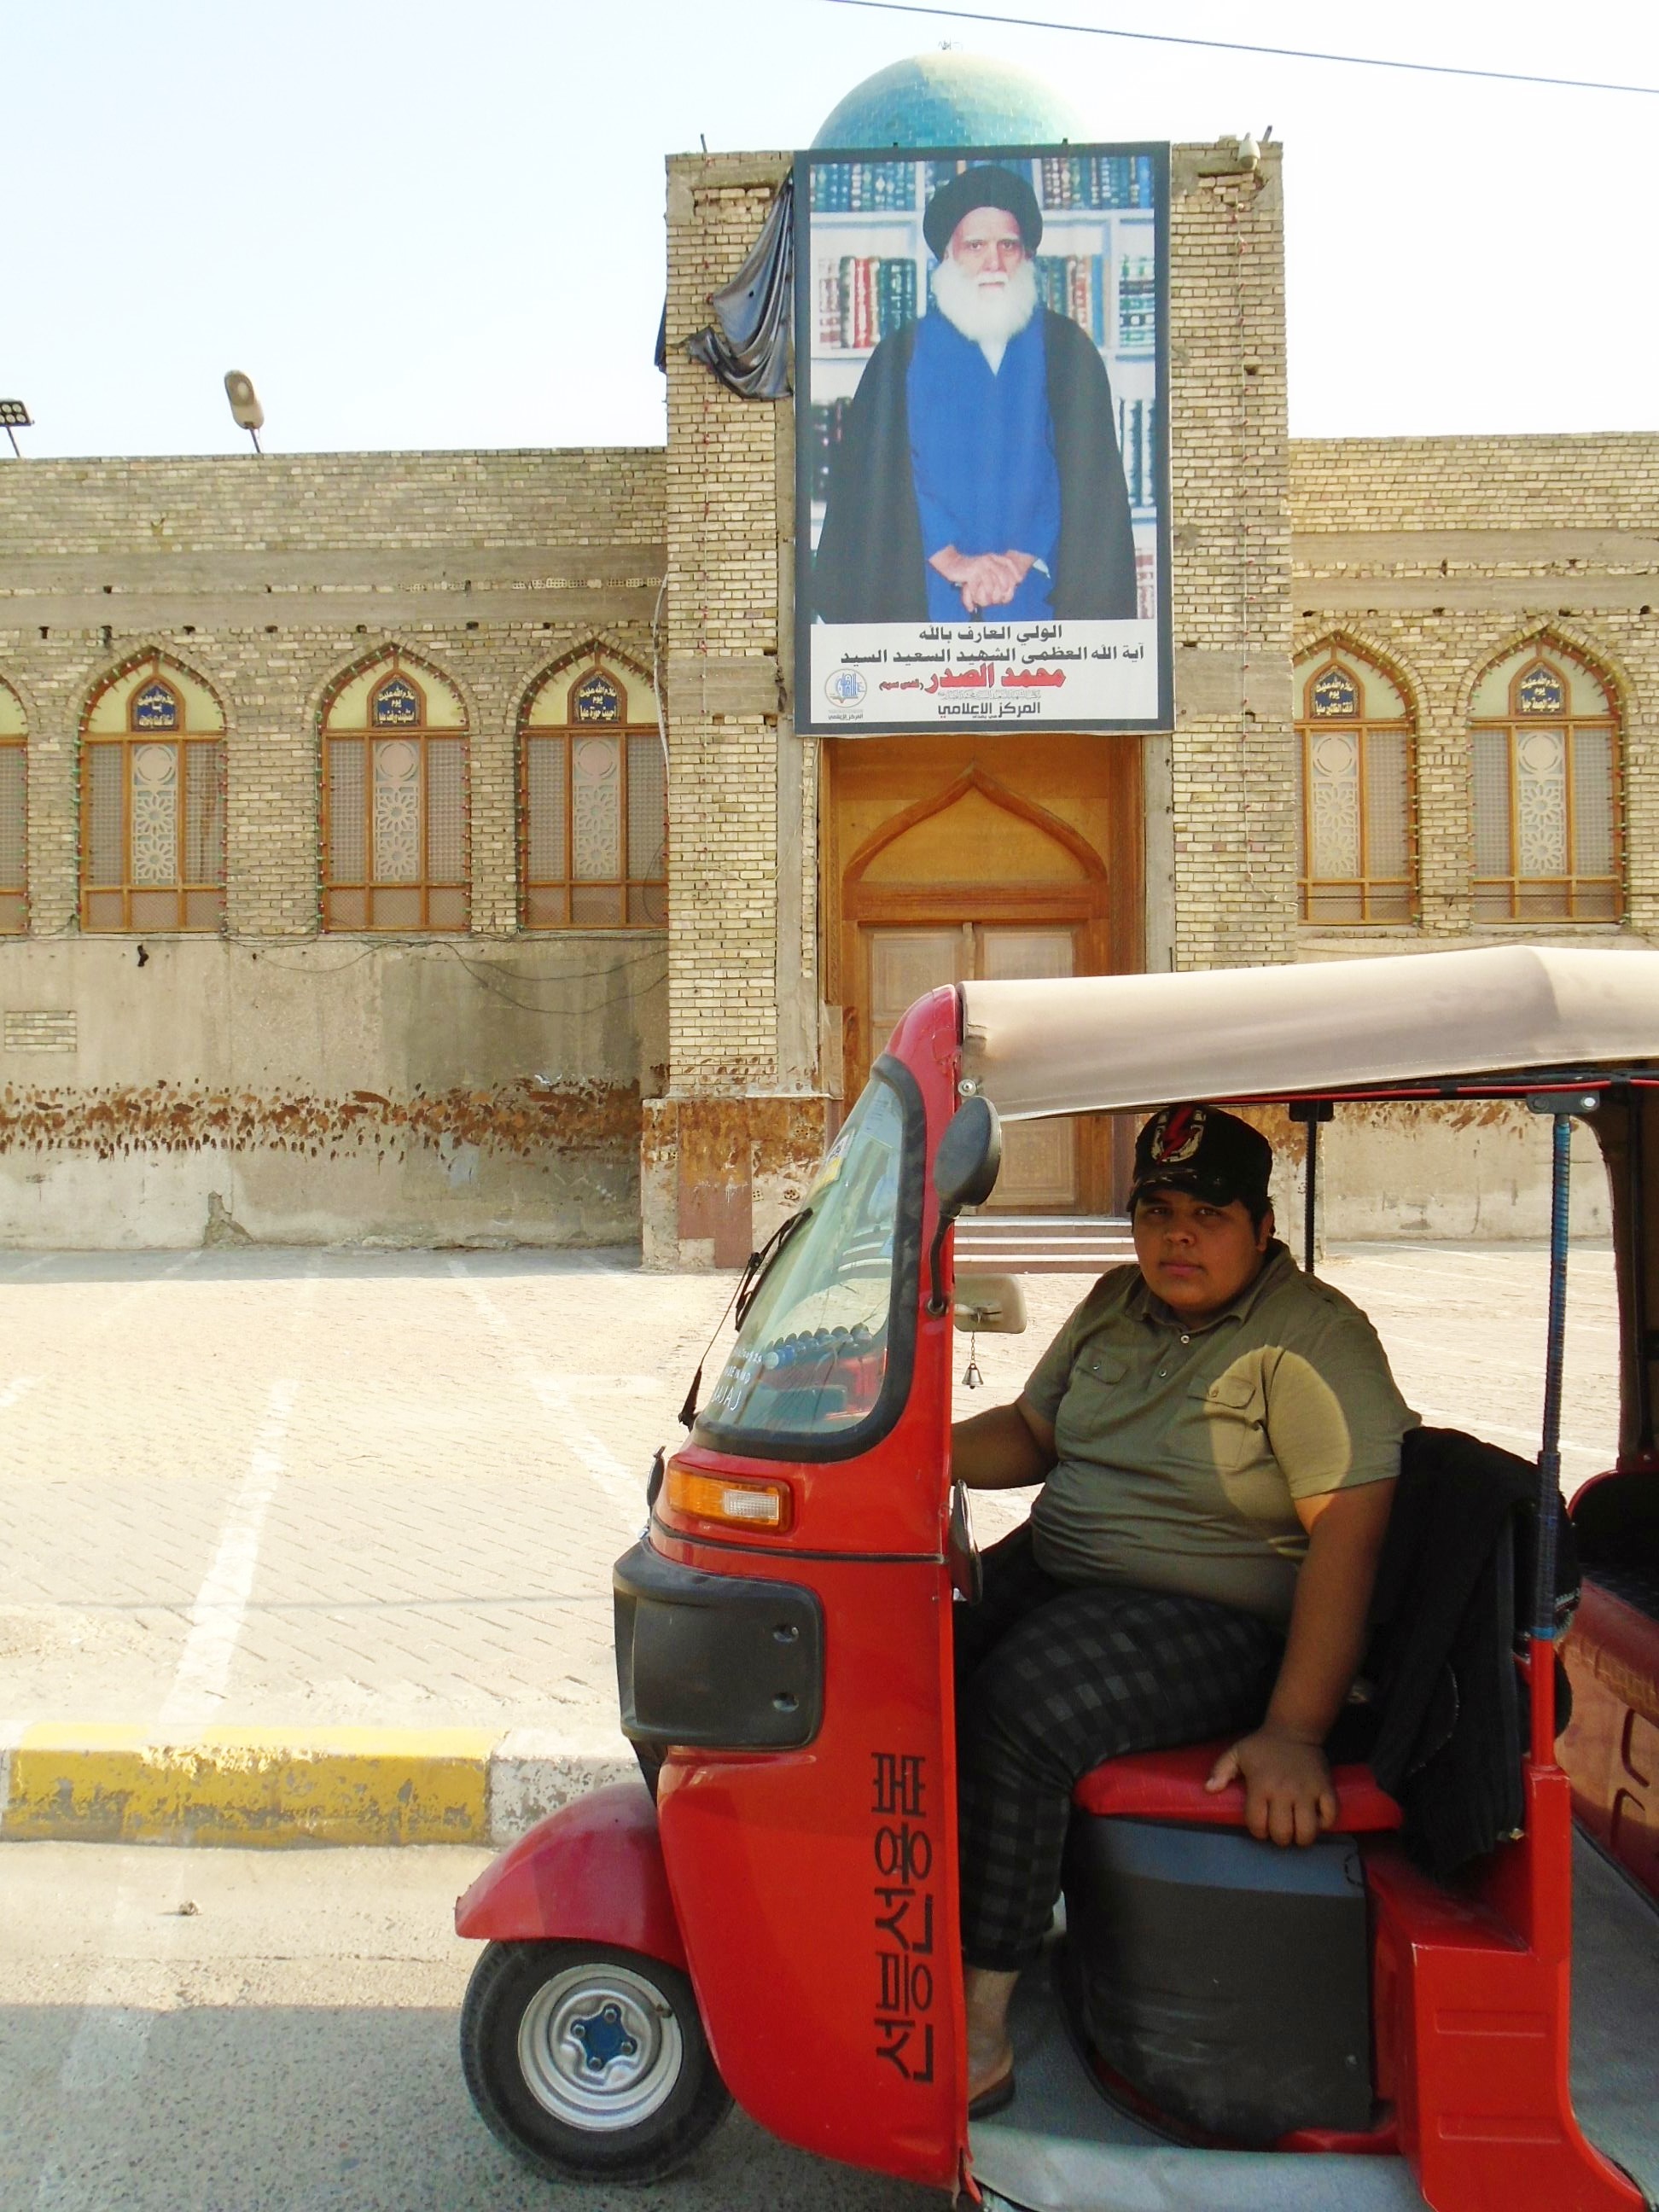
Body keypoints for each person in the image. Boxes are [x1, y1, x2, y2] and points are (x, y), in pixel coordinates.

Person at [951, 1103, 1415, 2114]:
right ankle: (909, 1926)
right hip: (1067, 1570)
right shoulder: (1117, 1302)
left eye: (1206, 1213)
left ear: (1259, 1225)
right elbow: (1032, 1435)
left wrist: (1295, 1729)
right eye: (1156, 1210)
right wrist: (904, 1453)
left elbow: (1351, 1539)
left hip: (1214, 1612)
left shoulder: (1311, 1339)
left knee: (1025, 1710)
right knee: (906, 1652)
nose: (1177, 1236)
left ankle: (978, 2026)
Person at [812, 164, 1138, 626]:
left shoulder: (1068, 352)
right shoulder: (899, 357)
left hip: (1040, 600)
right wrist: (953, 561)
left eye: (1008, 245)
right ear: (947, 256)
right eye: (975, 246)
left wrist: (1018, 559)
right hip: (925, 600)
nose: (994, 263)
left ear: (1027, 255)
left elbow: (1083, 483)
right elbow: (883, 482)